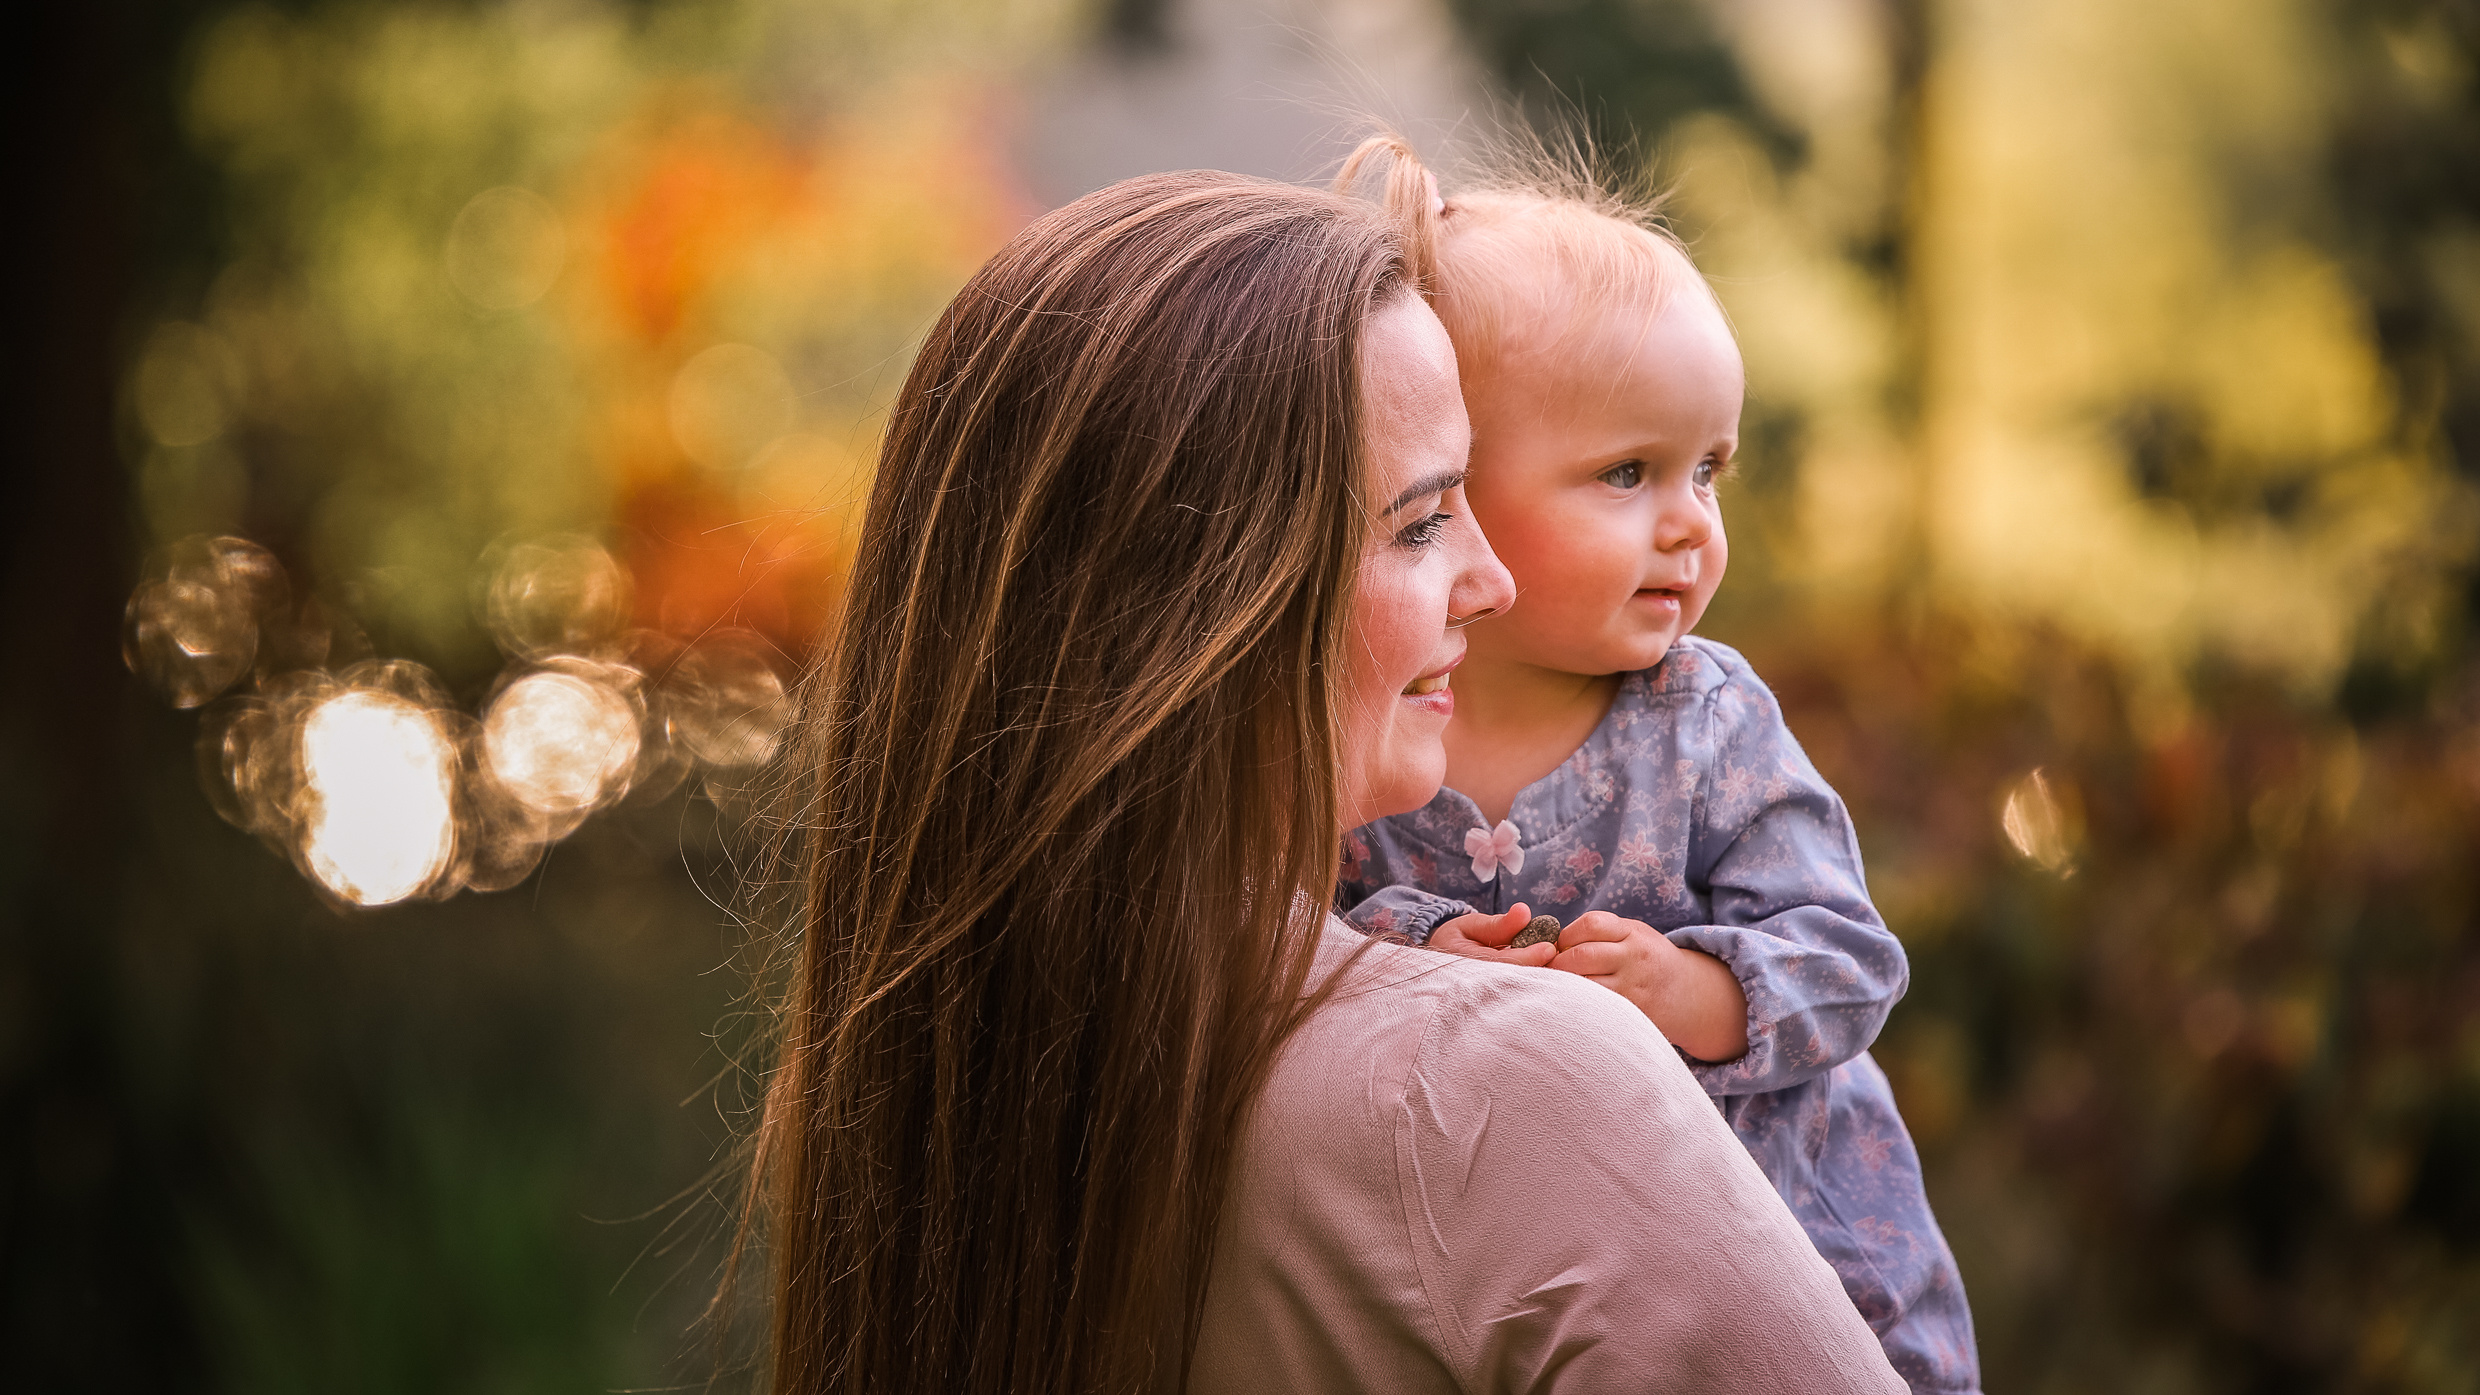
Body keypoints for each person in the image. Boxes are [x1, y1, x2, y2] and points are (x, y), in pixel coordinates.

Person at [748, 168, 1905, 1394]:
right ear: (1202, 609)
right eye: (1419, 522)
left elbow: (1840, 947)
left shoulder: (969, 1084)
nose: (1491, 580)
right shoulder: (1503, 1085)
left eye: (1706, 470)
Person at [1330, 137, 1982, 1392]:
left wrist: (1693, 990)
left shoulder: (1703, 719)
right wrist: (1414, 951)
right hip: (1537, 1277)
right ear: (1449, 491)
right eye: (1625, 473)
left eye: (1706, 470)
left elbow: (1849, 960)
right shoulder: (1372, 715)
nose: (1689, 521)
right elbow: (1297, 931)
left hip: (1796, 1249)